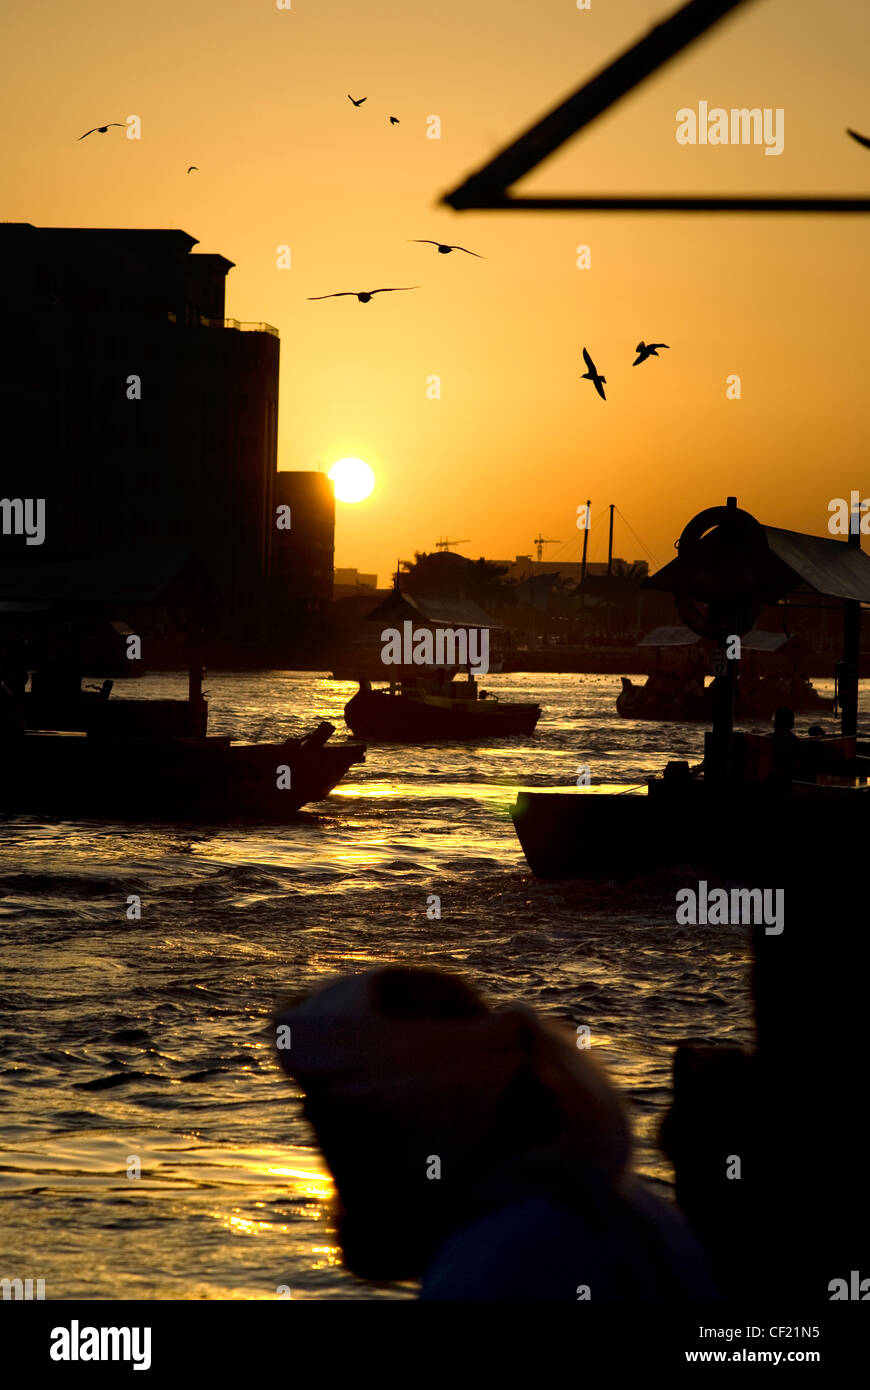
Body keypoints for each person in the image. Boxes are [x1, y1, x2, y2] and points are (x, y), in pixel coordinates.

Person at [274, 967, 717, 1300]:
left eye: (333, 1127)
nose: (330, 1160)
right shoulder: (628, 1208)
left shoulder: (495, 1269)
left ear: (414, 1119)